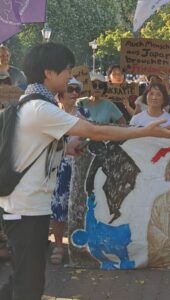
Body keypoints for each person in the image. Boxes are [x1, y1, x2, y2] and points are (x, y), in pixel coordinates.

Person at [0, 42, 170, 300]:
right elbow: (96, 131)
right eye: (67, 71)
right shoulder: (41, 108)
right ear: (49, 73)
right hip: (25, 210)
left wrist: (66, 148)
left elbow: (32, 147)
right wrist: (145, 131)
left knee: (23, 276)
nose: (71, 78)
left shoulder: (35, 103)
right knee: (29, 285)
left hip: (28, 208)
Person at [49, 77, 88, 265]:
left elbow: (91, 137)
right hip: (57, 167)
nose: (74, 93)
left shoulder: (84, 114)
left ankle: (79, 245)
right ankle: (58, 244)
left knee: (80, 205)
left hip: (79, 166)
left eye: (77, 90)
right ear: (61, 94)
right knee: (59, 203)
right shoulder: (51, 114)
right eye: (70, 89)